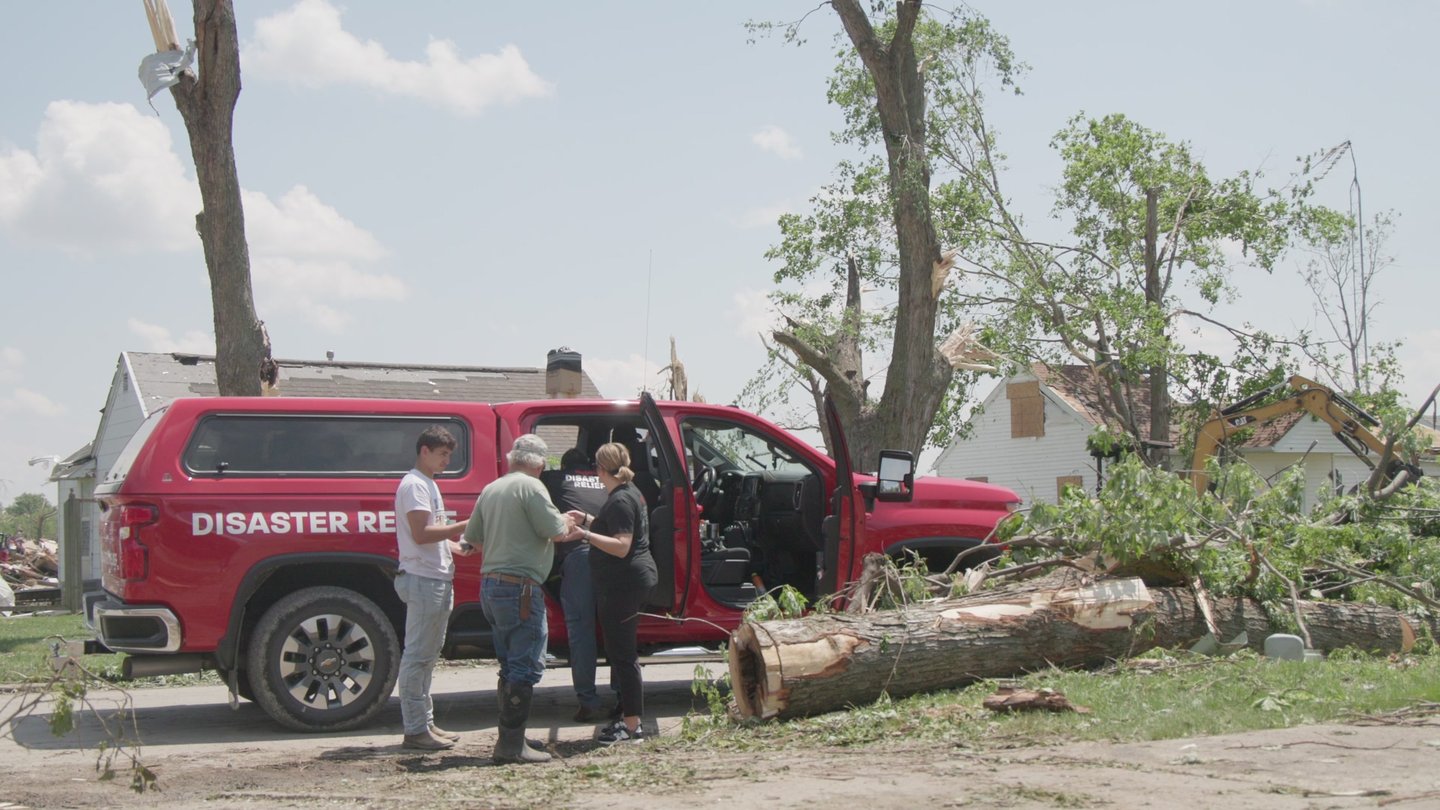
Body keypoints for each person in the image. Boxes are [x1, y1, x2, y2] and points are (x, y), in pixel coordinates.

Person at [464, 434, 579, 765]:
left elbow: (472, 538)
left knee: (508, 663)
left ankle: (510, 736)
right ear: (540, 465)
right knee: (524, 666)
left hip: (491, 587)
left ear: (513, 458)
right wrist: (567, 520)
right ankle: (511, 746)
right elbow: (555, 531)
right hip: (520, 589)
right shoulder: (532, 488)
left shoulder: (491, 489)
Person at [567, 442, 658, 745]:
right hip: (629, 580)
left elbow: (621, 546)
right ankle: (627, 720)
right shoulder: (630, 492)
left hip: (623, 583)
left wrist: (585, 535)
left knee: (623, 656)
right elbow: (617, 529)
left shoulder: (620, 500)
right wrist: (589, 519)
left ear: (600, 469)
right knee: (621, 654)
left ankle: (632, 727)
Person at [393, 425, 473, 751]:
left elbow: (430, 537)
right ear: (424, 451)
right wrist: (466, 524)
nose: (446, 460)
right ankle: (415, 729)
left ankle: (424, 723)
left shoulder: (427, 484)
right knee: (418, 657)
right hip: (424, 580)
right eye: (442, 454)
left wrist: (457, 547)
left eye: (449, 455)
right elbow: (422, 534)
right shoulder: (415, 486)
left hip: (434, 578)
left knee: (427, 656)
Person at [545, 446, 610, 722]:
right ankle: (625, 699)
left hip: (580, 557)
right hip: (612, 557)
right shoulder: (608, 484)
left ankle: (589, 702)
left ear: (564, 467)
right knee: (615, 629)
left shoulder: (553, 480)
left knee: (581, 633)